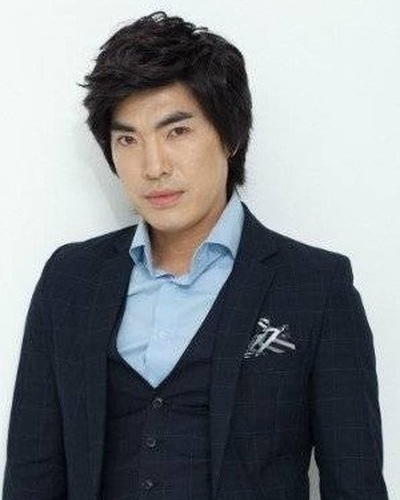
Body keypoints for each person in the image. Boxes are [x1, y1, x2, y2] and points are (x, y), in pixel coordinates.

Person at [2, 10, 389, 500]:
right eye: (128, 139)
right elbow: (30, 478)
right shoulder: (71, 279)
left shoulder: (316, 287)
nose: (153, 166)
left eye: (177, 132)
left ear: (230, 136)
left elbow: (355, 485)